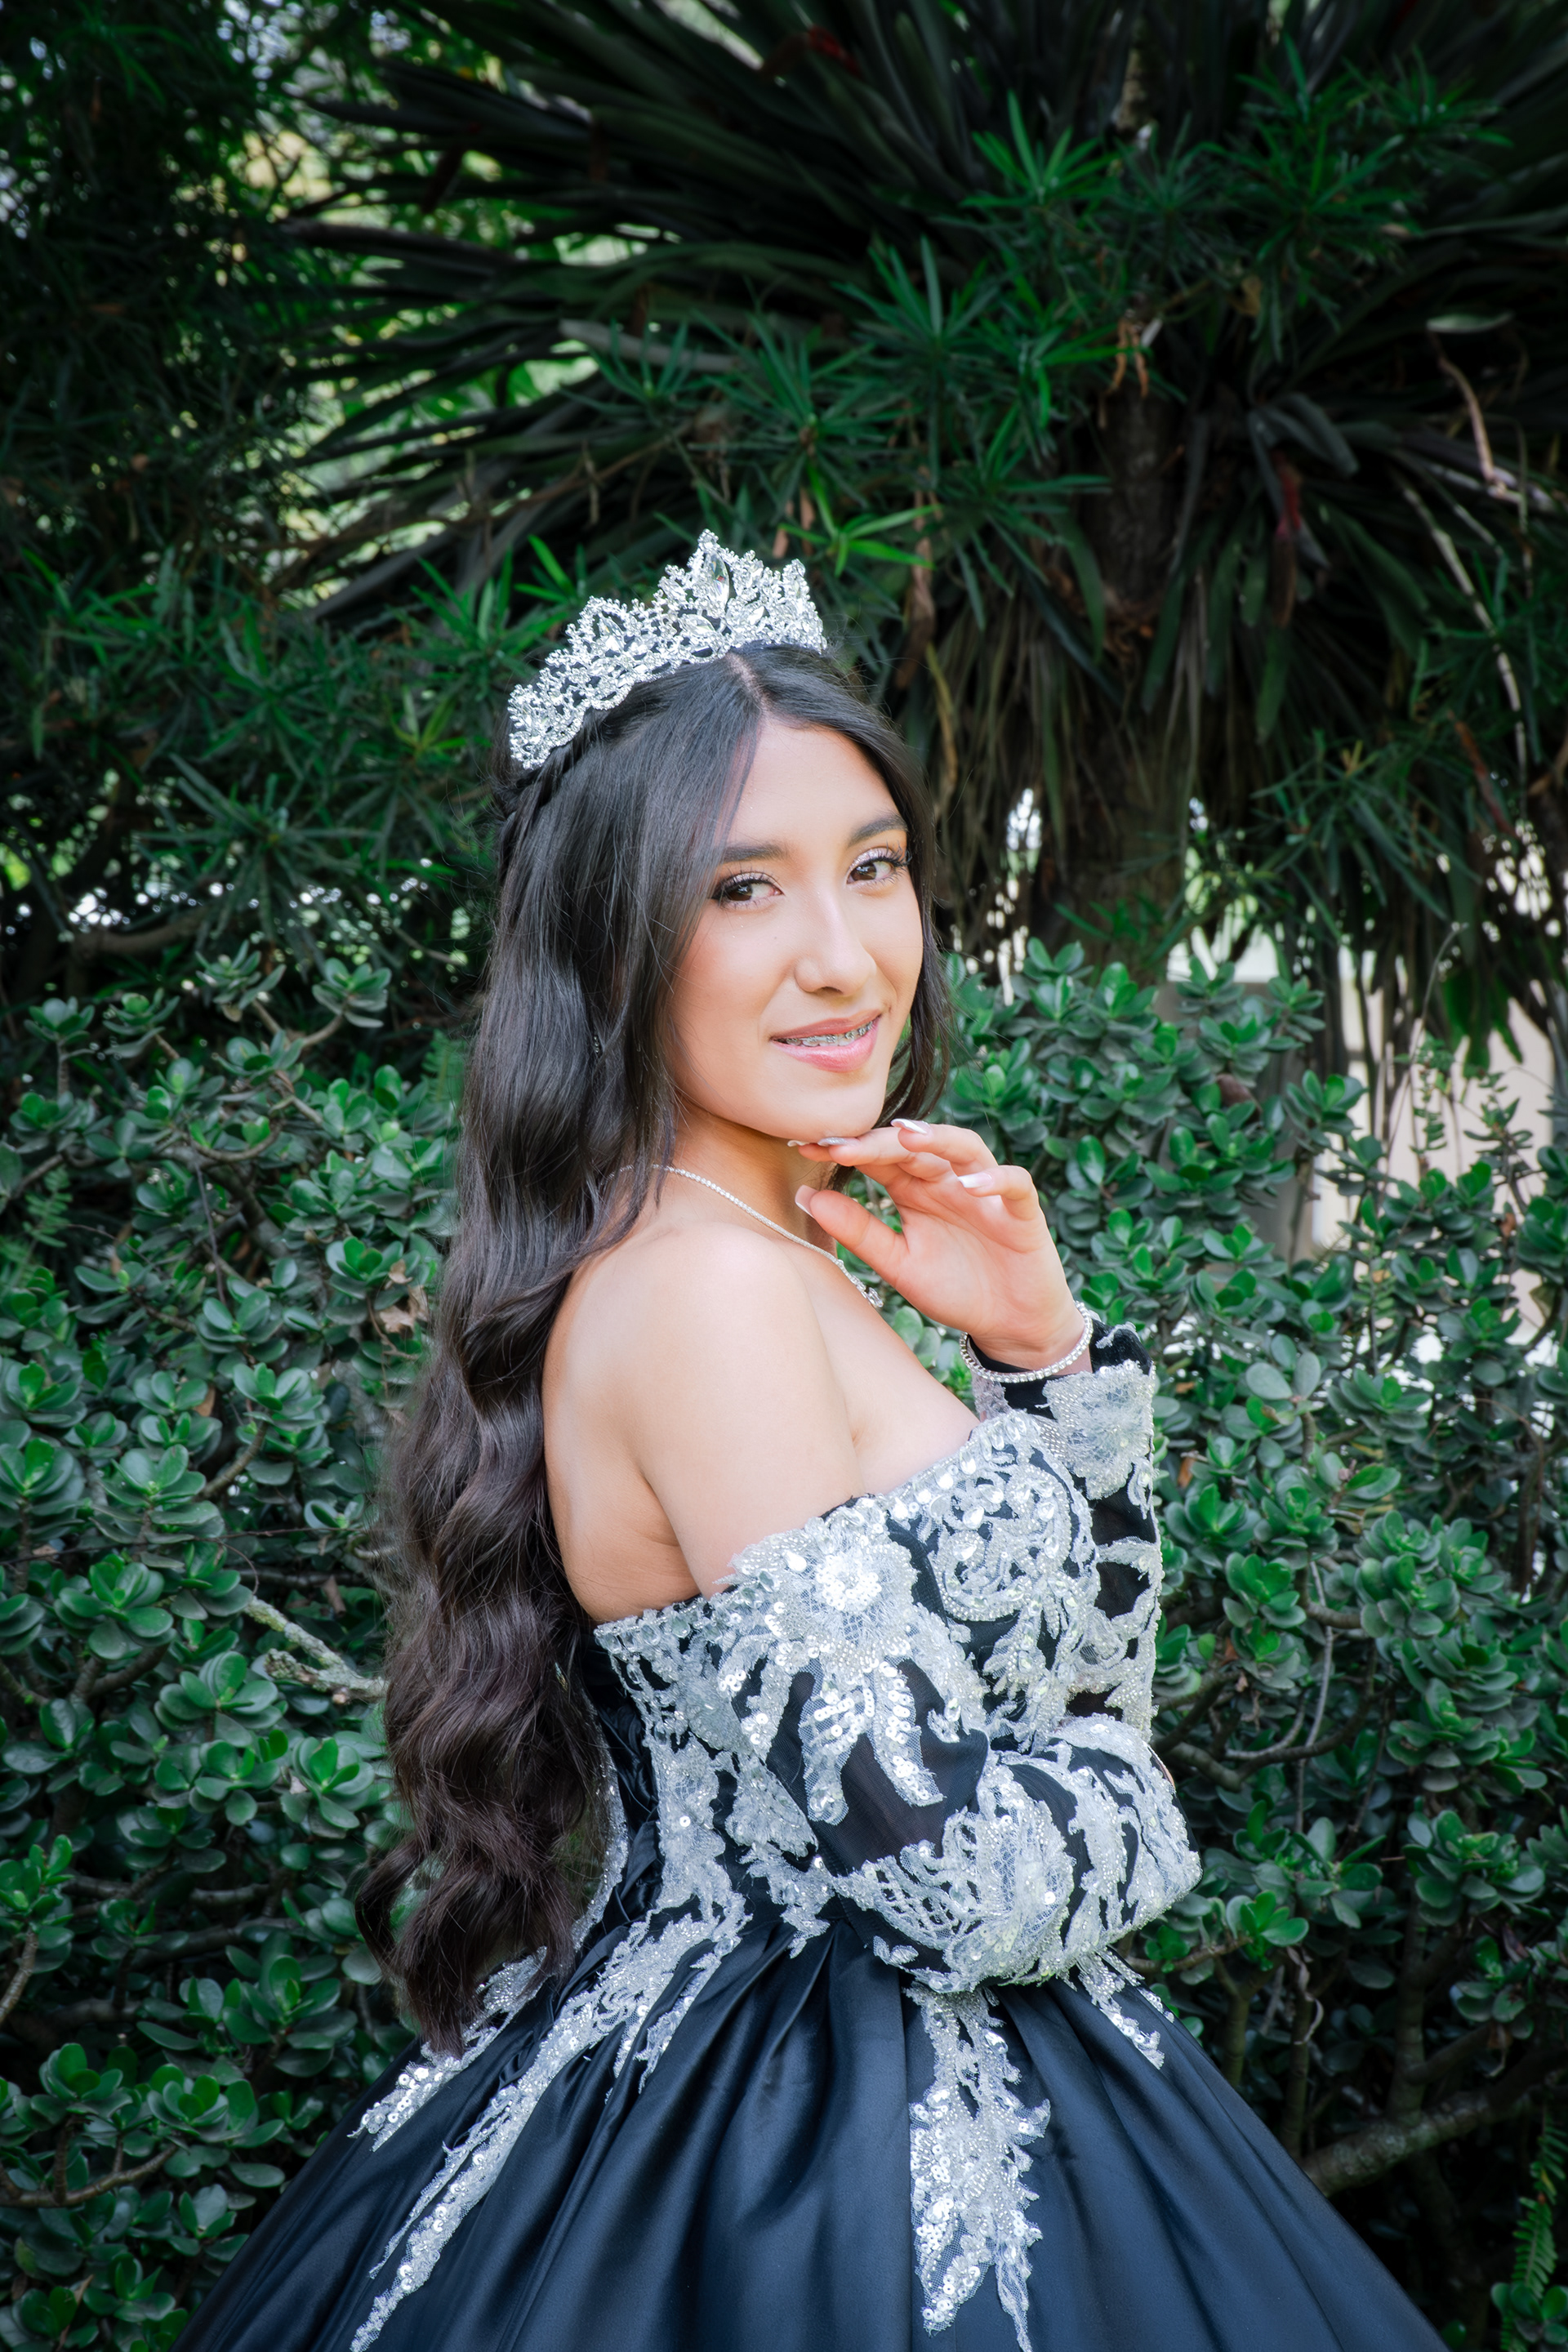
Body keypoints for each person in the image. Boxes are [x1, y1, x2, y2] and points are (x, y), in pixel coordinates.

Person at [180, 538, 1443, 2352]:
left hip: (894, 2061)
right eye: (743, 890)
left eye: (873, 866)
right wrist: (1146, 1805)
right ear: (618, 939)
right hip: (804, 2132)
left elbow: (1066, 1690)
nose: (843, 958)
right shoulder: (704, 1291)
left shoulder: (760, 1254)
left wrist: (1045, 1361)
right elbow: (949, 1874)